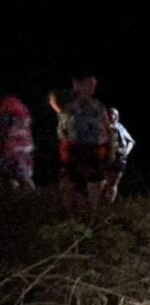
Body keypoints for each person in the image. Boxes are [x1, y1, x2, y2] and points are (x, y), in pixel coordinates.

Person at [59, 74, 112, 217]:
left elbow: (107, 128)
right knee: (71, 183)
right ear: (78, 85)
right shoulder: (70, 106)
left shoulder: (98, 106)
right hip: (75, 148)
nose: (91, 89)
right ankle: (71, 216)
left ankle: (93, 215)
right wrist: (64, 150)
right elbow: (62, 131)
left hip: (94, 149)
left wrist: (110, 149)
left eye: (93, 86)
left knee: (95, 182)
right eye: (88, 85)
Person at [0, 90, 35, 191]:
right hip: (24, 146)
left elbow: (3, 128)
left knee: (9, 178)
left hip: (9, 148)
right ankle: (32, 200)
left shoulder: (5, 107)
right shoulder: (19, 105)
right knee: (23, 177)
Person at [103, 107, 134, 202]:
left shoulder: (120, 126)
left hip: (119, 158)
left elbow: (131, 141)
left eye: (116, 115)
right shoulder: (101, 127)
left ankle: (109, 203)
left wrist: (126, 152)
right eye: (111, 114)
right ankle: (98, 202)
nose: (113, 116)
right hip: (105, 157)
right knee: (102, 180)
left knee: (114, 182)